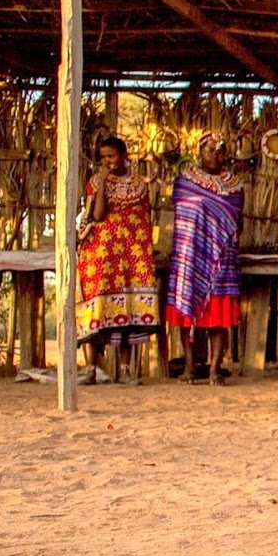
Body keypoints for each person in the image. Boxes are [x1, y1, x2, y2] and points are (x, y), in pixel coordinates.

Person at [75, 136, 158, 384]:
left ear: (124, 155)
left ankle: (124, 370)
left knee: (129, 312)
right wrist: (101, 183)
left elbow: (143, 221)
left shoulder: (139, 186)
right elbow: (98, 215)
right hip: (101, 257)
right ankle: (90, 369)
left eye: (111, 156)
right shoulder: (95, 183)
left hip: (131, 258)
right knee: (97, 310)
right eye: (103, 157)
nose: (107, 161)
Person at [165, 133, 243, 385]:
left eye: (220, 152)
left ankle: (215, 370)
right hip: (190, 254)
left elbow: (236, 221)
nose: (216, 156)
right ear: (200, 152)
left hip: (221, 256)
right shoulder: (185, 181)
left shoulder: (234, 184)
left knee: (218, 317)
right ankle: (189, 367)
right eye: (210, 151)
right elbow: (182, 213)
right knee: (186, 313)